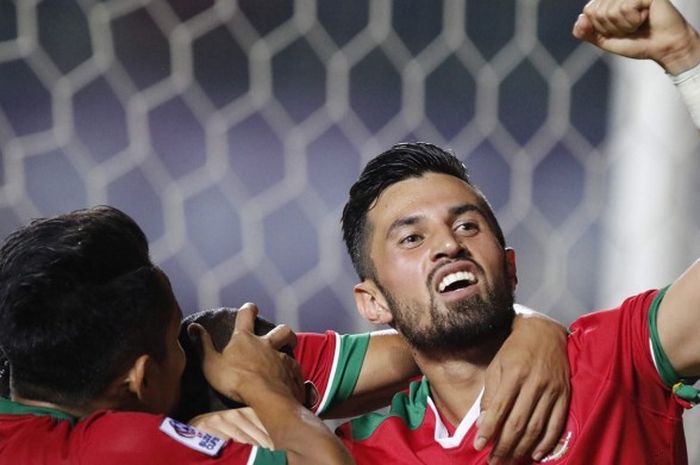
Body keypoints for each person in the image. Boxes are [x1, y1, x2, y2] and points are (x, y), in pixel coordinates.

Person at [334, 3, 700, 463]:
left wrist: (687, 58)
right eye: (412, 238)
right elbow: (232, 361)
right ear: (373, 301)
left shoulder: (613, 359)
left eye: (467, 225)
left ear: (509, 266)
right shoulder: (360, 453)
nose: (449, 245)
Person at [0, 206, 570, 464]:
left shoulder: (32, 382)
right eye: (176, 339)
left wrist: (527, 327)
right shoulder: (116, 448)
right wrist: (268, 394)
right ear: (139, 379)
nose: (191, 342)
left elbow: (432, 347)